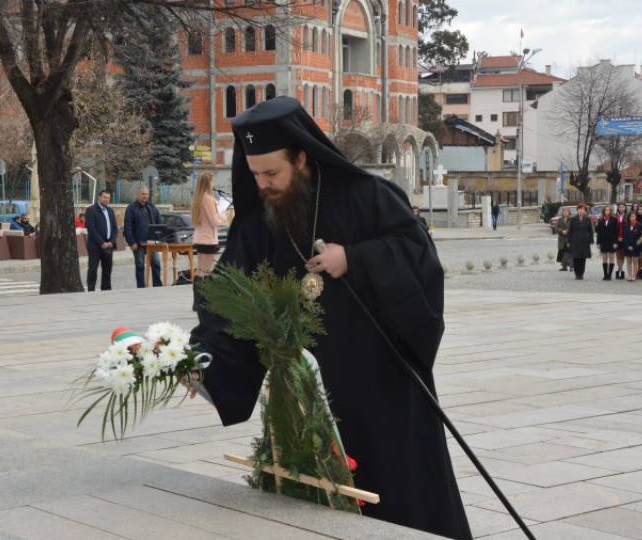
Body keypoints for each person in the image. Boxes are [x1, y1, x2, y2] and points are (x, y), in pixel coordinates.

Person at [186, 97, 471, 539]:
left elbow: (420, 260)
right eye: (255, 174)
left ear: (301, 157)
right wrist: (201, 359)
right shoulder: (260, 220)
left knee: (398, 492)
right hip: (307, 392)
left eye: (272, 173)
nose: (262, 185)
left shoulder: (369, 196)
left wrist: (356, 258)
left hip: (381, 383)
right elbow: (229, 295)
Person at [124, 186, 162, 288]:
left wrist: (159, 237)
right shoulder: (131, 208)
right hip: (138, 243)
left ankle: (158, 286)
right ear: (138, 194)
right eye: (143, 194)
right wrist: (131, 242)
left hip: (152, 242)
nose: (145, 196)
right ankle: (141, 287)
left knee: (156, 263)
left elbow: (159, 222)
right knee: (140, 265)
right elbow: (127, 227)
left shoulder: (152, 207)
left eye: (146, 194)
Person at [190, 172, 225, 283]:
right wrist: (222, 215)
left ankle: (197, 296)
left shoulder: (197, 199)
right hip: (208, 239)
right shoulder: (208, 199)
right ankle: (202, 297)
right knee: (206, 271)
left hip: (200, 237)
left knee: (199, 270)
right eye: (212, 181)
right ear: (209, 182)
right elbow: (214, 221)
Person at [85, 190, 119, 291]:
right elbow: (91, 228)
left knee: (107, 269)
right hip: (95, 245)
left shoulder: (110, 211)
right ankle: (91, 289)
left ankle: (106, 288)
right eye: (104, 197)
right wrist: (101, 242)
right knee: (93, 269)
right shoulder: (91, 210)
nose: (106, 199)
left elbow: (114, 228)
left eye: (108, 198)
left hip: (108, 245)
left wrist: (111, 242)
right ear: (99, 197)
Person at [568, 203, 594, 280]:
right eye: (579, 209)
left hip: (584, 241)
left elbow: (590, 230)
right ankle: (577, 274)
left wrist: (591, 239)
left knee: (583, 259)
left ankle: (581, 273)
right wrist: (568, 241)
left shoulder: (587, 219)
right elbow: (570, 231)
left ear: (585, 210)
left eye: (583, 209)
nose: (581, 211)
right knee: (576, 258)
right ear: (577, 210)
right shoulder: (573, 219)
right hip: (575, 241)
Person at [595, 205, 618, 280]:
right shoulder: (601, 220)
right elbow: (599, 232)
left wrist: (615, 242)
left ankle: (609, 274)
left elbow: (616, 232)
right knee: (604, 258)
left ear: (611, 211)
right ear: (604, 211)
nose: (607, 211)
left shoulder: (614, 219)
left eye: (608, 210)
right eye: (606, 210)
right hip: (603, 241)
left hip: (611, 241)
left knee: (611, 258)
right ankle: (605, 274)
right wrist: (598, 243)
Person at [622, 212, 642, 282]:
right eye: (630, 217)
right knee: (628, 262)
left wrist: (634, 246)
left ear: (635, 217)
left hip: (636, 246)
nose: (632, 218)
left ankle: (634, 275)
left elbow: (640, 237)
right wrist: (627, 246)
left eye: (633, 216)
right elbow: (624, 237)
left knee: (635, 261)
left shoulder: (639, 226)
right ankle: (629, 275)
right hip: (627, 246)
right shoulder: (625, 226)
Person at [556, 206, 572, 271]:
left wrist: (567, 231)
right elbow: (556, 227)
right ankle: (564, 266)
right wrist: (561, 231)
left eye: (567, 211)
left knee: (570, 253)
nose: (565, 212)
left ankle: (571, 266)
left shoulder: (571, 220)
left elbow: (573, 228)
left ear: (569, 212)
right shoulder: (560, 220)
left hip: (569, 238)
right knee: (562, 252)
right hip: (562, 238)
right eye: (564, 211)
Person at [614, 203, 628, 279]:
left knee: (623, 255)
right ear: (618, 208)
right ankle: (621, 269)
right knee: (617, 254)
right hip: (616, 237)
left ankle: (620, 269)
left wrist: (623, 237)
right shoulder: (615, 216)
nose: (621, 208)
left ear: (625, 208)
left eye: (623, 207)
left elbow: (628, 228)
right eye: (620, 207)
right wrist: (617, 238)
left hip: (624, 237)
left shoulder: (628, 216)